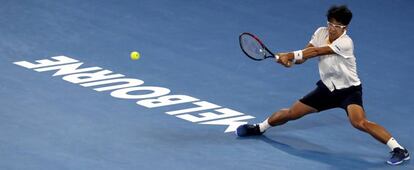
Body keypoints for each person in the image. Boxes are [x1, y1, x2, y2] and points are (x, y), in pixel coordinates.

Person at [235, 5, 410, 165]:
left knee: (359, 122)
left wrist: (289, 54)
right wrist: (291, 61)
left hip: (349, 91)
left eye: (337, 26)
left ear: (345, 28)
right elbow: (305, 55)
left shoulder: (346, 42)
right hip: (326, 89)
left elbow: (318, 51)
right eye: (330, 24)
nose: (332, 29)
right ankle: (259, 128)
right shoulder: (320, 32)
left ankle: (399, 150)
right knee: (291, 113)